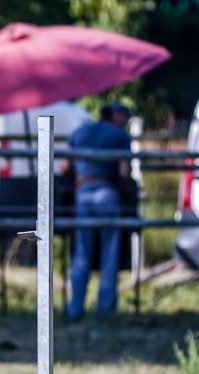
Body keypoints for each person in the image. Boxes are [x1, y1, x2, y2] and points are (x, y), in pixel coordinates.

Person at [63, 102, 132, 320]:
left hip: (82, 194)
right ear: (115, 114)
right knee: (109, 252)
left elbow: (65, 166)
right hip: (107, 193)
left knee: (81, 252)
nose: (127, 120)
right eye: (125, 115)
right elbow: (124, 171)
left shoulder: (79, 132)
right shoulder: (120, 136)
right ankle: (105, 310)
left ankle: (75, 308)